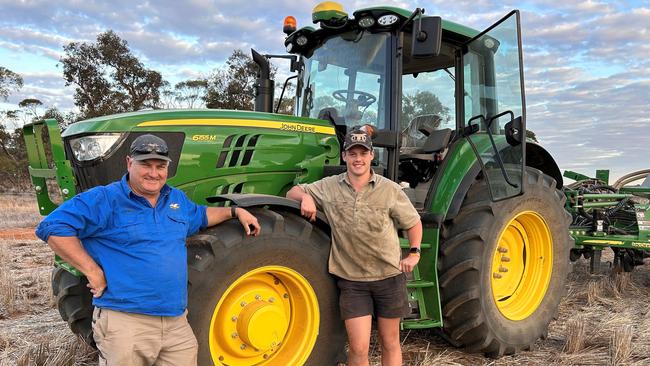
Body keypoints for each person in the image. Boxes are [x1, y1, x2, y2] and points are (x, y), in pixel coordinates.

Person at [35, 134, 261, 366]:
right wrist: (91, 270)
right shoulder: (105, 199)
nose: (154, 173)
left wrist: (234, 212)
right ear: (129, 163)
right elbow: (52, 227)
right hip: (126, 323)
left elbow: (201, 215)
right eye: (146, 164)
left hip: (176, 324)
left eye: (160, 166)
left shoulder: (175, 199)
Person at [286, 127, 423, 366]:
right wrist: (305, 197)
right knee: (358, 348)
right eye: (352, 153)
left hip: (388, 277)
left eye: (362, 153)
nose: (357, 159)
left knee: (389, 342)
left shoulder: (389, 189)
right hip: (352, 281)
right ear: (344, 156)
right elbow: (292, 192)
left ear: (371, 155)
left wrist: (414, 252)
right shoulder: (329, 186)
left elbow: (413, 222)